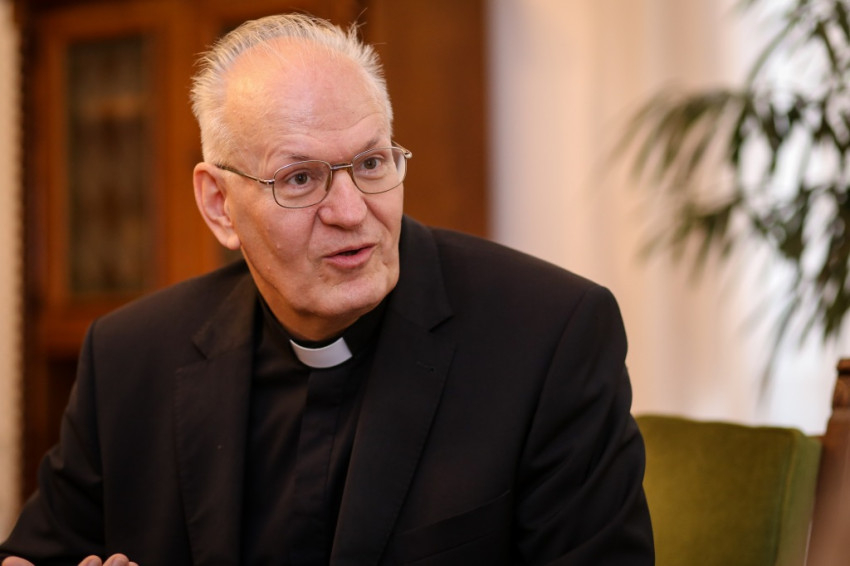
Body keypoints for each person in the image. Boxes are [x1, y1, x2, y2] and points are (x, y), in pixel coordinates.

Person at [0, 13, 653, 565]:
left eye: (370, 163)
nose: (350, 211)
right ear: (219, 205)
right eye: (301, 178)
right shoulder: (130, 357)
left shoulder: (549, 337)